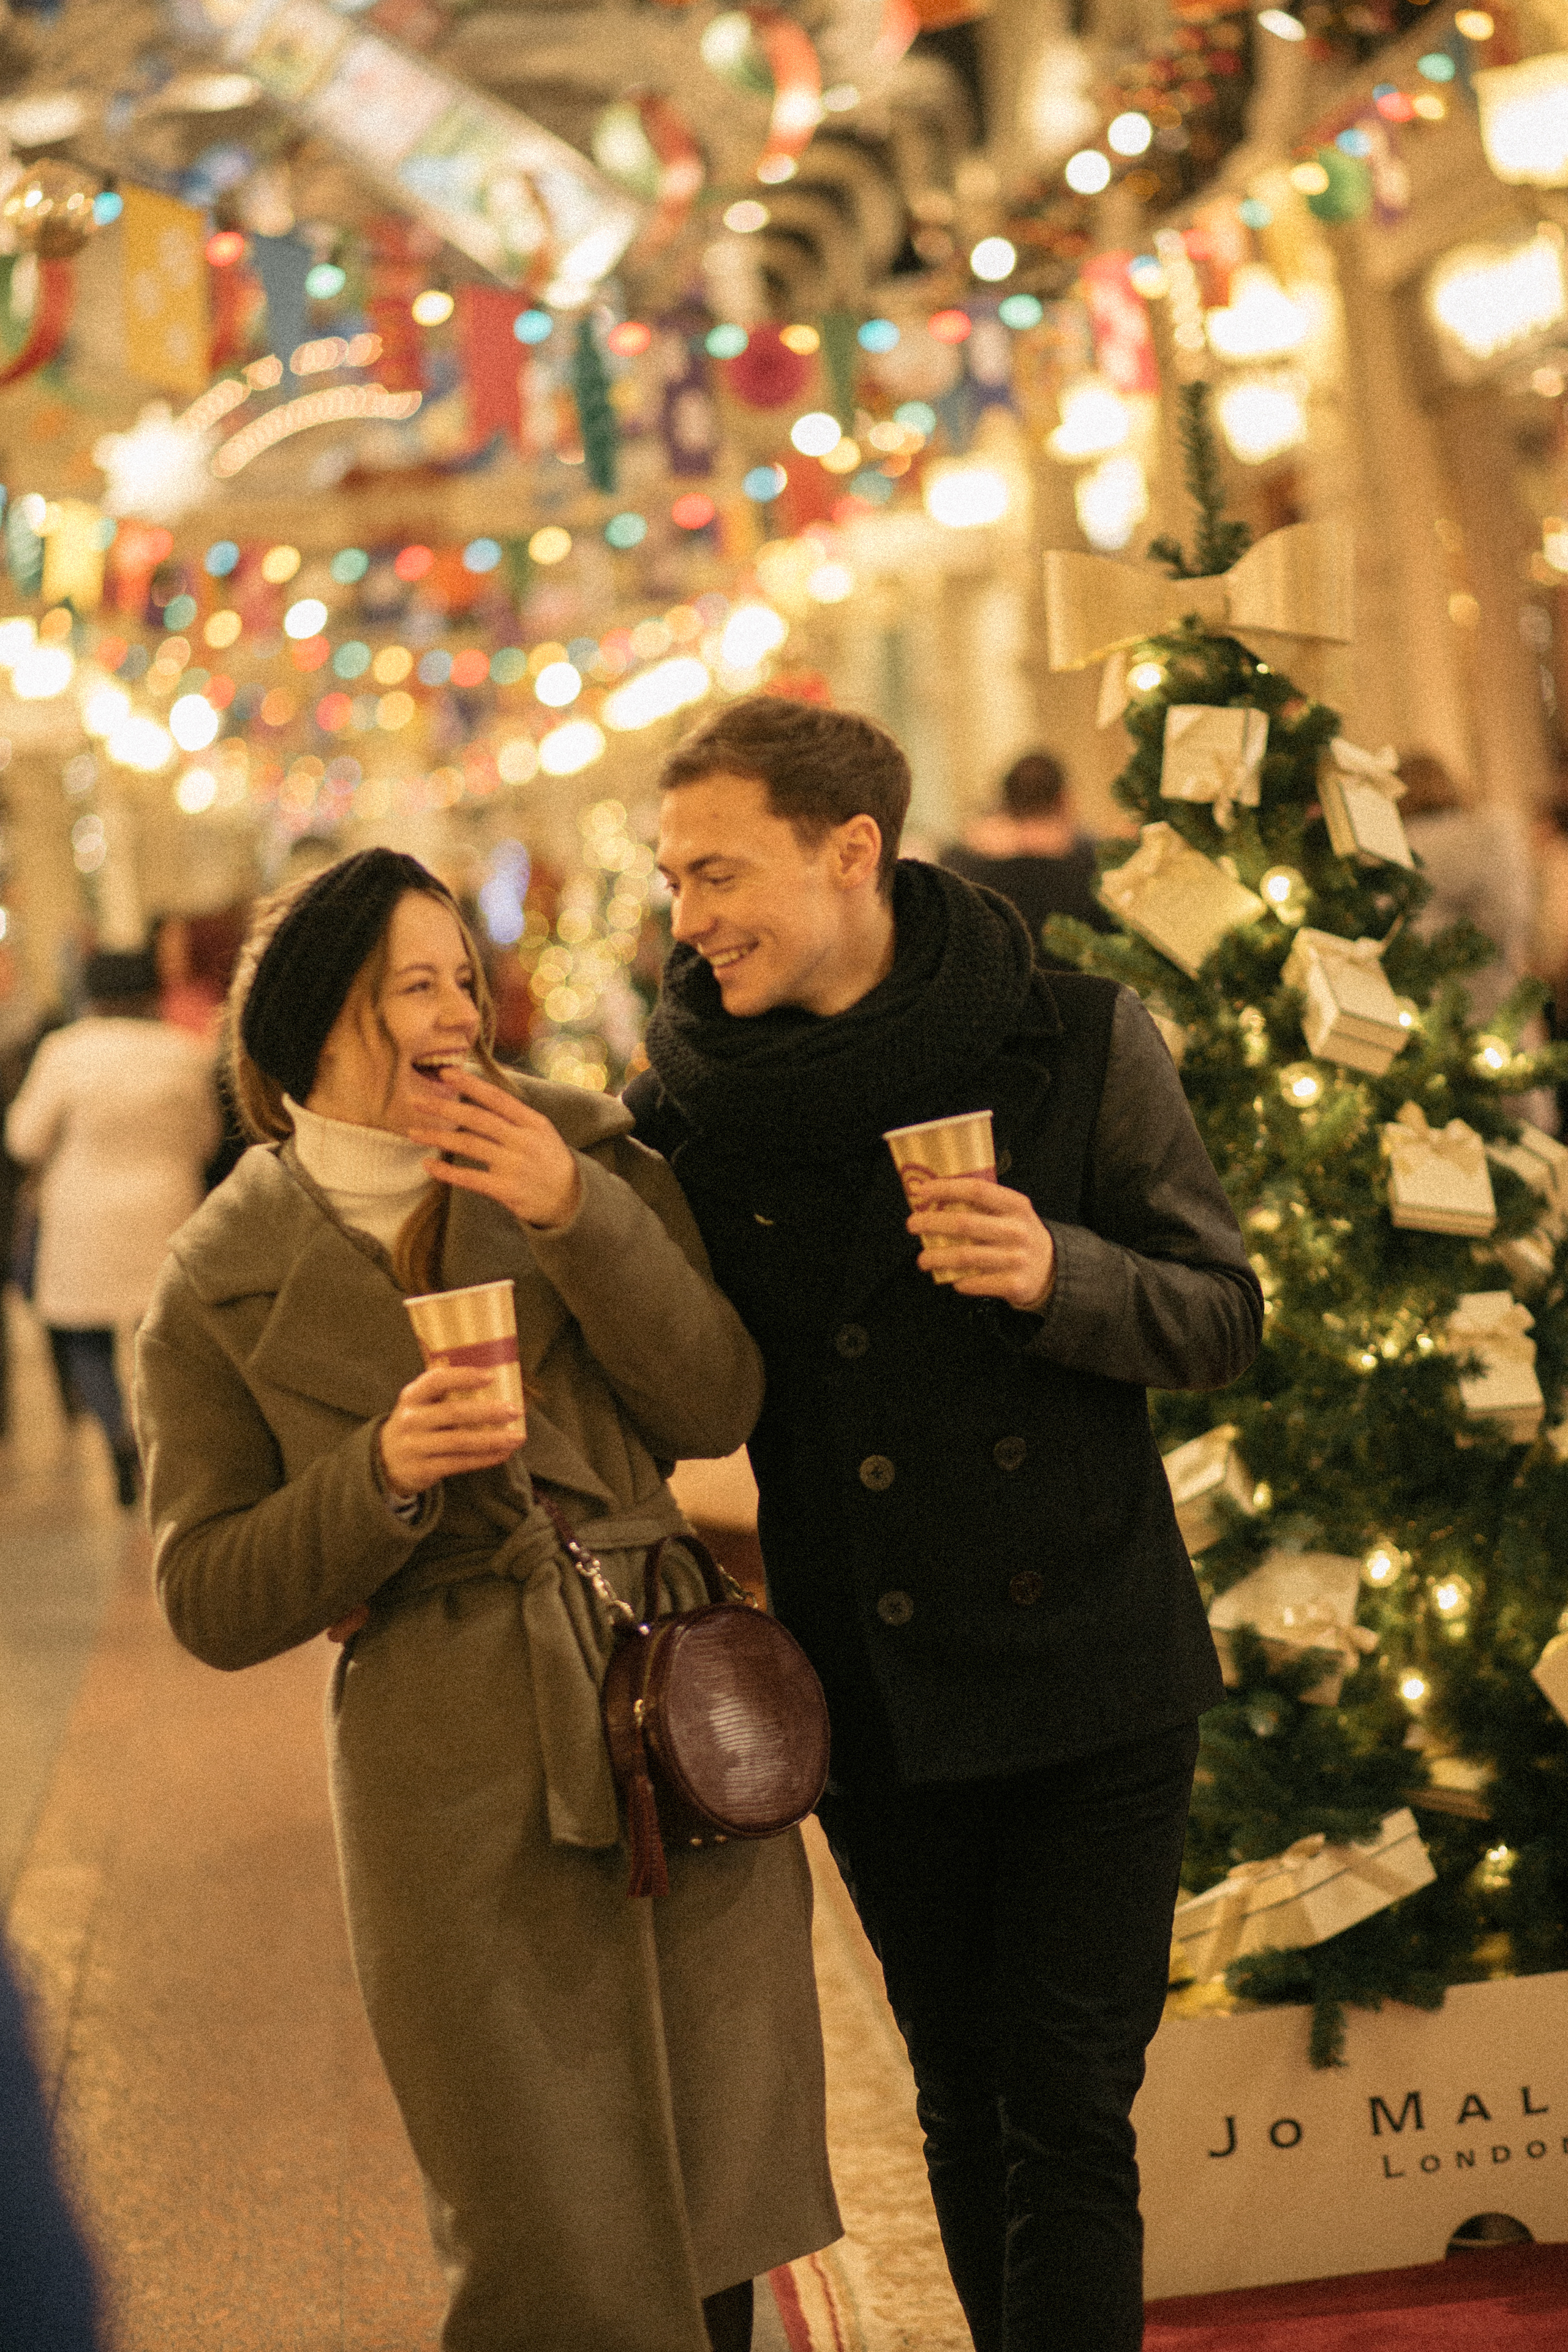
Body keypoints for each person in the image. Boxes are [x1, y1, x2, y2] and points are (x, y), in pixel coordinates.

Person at [132, 850, 838, 2352]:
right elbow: (207, 1591)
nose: (459, 1009)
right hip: (446, 1772)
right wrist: (377, 1477)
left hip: (661, 1698)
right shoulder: (216, 1280)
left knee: (711, 2170)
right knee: (541, 2210)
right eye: (414, 985)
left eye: (465, 973)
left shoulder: (586, 1151)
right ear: (319, 1023)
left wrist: (578, 1212)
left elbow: (713, 1401)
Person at [625, 698, 1263, 2352]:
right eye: (673, 877)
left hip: (1095, 1676)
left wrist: (1064, 1276)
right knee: (964, 2098)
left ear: (854, 855)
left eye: (717, 871)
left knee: (1065, 2109)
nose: (687, 918)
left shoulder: (1075, 1036)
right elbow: (673, 1377)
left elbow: (1224, 1317)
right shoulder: (690, 1114)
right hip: (880, 1694)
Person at [7, 948, 217, 1504]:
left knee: (83, 1339)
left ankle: (117, 1433)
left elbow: (24, 1137)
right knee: (166, 1340)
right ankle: (159, 1441)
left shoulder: (65, 1052)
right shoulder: (184, 1051)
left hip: (84, 1218)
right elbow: (206, 1139)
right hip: (169, 1214)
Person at [940, 749, 1117, 967]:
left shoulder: (959, 864)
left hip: (994, 995)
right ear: (1064, 800)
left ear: (1005, 802)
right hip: (1081, 992)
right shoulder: (1096, 863)